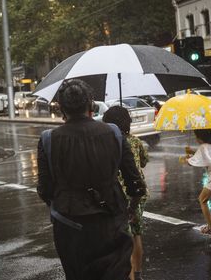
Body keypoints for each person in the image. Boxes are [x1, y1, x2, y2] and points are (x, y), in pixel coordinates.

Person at [37, 79, 147, 280]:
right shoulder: (114, 133)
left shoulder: (48, 139)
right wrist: (131, 208)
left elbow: (44, 189)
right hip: (111, 220)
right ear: (91, 105)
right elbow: (135, 182)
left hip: (69, 225)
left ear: (62, 109)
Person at [103, 106, 148, 280]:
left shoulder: (109, 143)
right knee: (137, 235)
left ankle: (128, 275)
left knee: (123, 238)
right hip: (139, 193)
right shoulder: (136, 142)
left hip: (119, 194)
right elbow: (143, 162)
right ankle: (138, 274)